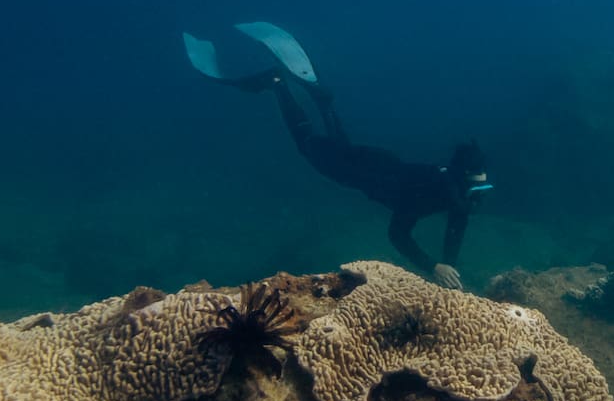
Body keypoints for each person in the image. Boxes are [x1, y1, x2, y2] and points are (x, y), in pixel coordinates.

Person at [183, 23, 491, 290]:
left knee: (341, 146)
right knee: (308, 146)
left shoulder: (458, 194)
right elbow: (397, 234)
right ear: (460, 181)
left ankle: (323, 101)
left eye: (482, 189)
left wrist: (449, 266)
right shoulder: (430, 195)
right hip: (365, 175)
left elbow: (456, 227)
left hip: (381, 162)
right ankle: (277, 84)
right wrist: (432, 266)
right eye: (475, 189)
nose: (477, 198)